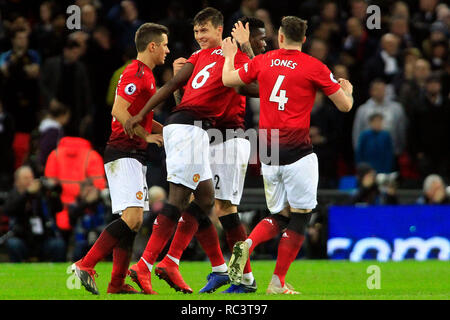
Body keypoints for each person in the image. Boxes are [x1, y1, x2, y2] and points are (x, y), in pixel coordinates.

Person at [221, 16, 353, 294]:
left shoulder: (264, 60)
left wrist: (232, 54)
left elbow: (228, 80)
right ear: (304, 39)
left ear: (280, 36)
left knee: (279, 214)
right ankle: (277, 281)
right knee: (301, 215)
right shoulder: (314, 66)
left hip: (268, 151)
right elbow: (344, 106)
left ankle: (247, 244)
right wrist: (348, 91)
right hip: (298, 151)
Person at [124, 7, 251, 294]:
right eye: (196, 32)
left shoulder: (200, 57)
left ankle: (189, 264)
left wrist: (142, 113)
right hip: (190, 129)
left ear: (220, 30)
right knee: (180, 199)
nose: (199, 36)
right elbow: (256, 83)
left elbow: (175, 89)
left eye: (204, 30)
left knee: (204, 198)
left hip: (194, 131)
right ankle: (146, 264)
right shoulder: (219, 56)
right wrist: (141, 114)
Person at [71, 22, 167, 295]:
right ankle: (86, 264)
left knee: (133, 222)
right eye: (165, 44)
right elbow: (118, 110)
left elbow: (142, 117)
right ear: (152, 46)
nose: (168, 50)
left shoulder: (146, 74)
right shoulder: (136, 73)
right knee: (134, 218)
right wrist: (146, 136)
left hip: (132, 153)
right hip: (123, 150)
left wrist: (170, 131)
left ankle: (116, 283)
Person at [2, 166, 65, 262]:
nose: (30, 180)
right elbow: (8, 209)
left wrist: (53, 192)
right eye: (26, 178)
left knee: (58, 244)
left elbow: (58, 208)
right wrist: (27, 193)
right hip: (22, 238)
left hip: (42, 239)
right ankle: (19, 272)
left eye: (31, 177)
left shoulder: (41, 195)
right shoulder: (13, 195)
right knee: (13, 244)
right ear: (17, 181)